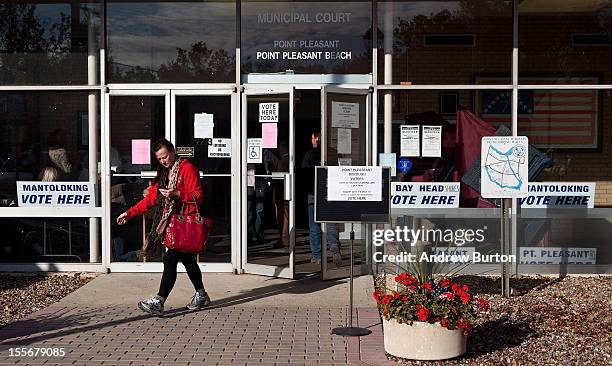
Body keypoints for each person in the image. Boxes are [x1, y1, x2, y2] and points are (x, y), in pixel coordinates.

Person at [116, 139, 210, 316]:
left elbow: (198, 195)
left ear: (173, 151)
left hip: (184, 222)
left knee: (170, 258)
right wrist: (129, 213)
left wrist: (178, 193)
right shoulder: (162, 175)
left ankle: (159, 301)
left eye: (165, 156)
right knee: (188, 261)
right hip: (171, 223)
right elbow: (150, 200)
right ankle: (202, 294)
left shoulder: (187, 168)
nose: (164, 161)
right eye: (160, 159)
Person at [301, 132, 342, 266]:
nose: (312, 140)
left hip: (313, 192)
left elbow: (304, 174)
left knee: (314, 225)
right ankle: (334, 246)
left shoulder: (309, 155)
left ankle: (317, 256)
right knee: (329, 221)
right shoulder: (332, 153)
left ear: (316, 139)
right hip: (329, 191)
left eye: (313, 138)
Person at [273, 141, 289, 249]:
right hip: (285, 193)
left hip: (281, 193)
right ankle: (284, 238)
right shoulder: (289, 161)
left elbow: (278, 179)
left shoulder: (283, 162)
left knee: (282, 216)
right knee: (286, 216)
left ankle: (284, 238)